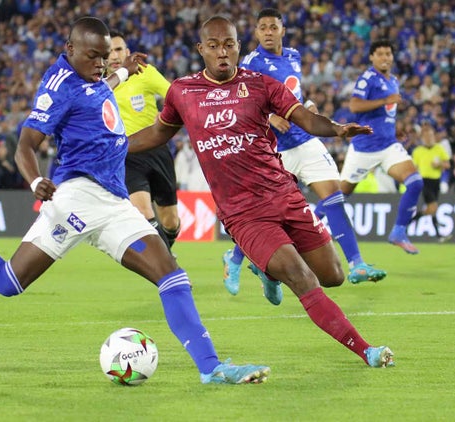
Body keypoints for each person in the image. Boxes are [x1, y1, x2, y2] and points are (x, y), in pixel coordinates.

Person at [0, 16, 269, 385]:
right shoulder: (57, 87)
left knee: (171, 275)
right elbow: (25, 144)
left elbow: (100, 88)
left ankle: (211, 368)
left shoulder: (92, 76)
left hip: (114, 200)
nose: (100, 64)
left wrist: (124, 71)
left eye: (104, 56)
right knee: (8, 281)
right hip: (76, 197)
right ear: (70, 48)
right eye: (93, 56)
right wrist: (36, 180)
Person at [127, 15, 394, 368]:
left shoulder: (261, 84)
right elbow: (158, 133)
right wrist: (113, 147)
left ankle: (265, 270)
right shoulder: (183, 91)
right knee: (302, 278)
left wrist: (337, 129)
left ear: (239, 46)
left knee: (333, 276)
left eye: (229, 45)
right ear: (201, 49)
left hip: (284, 194)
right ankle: (367, 350)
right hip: (243, 212)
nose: (222, 52)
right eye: (214, 46)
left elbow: (306, 119)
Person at [222, 8, 386, 299]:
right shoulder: (251, 62)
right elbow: (238, 100)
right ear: (256, 32)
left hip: (305, 140)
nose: (268, 32)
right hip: (273, 148)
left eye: (273, 27)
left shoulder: (293, 56)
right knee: (265, 213)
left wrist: (307, 105)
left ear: (283, 30)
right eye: (263, 27)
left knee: (333, 196)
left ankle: (357, 264)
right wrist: (270, 117)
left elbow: (295, 92)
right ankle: (234, 260)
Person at [338, 39, 424, 255]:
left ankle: (399, 232)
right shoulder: (368, 78)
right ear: (372, 57)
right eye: (380, 54)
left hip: (388, 145)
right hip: (364, 147)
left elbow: (386, 113)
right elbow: (355, 105)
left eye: (388, 54)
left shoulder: (393, 80)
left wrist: (394, 130)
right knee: (338, 197)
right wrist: (385, 99)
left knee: (414, 182)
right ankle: (308, 224)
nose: (385, 57)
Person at [106, 30, 180, 251]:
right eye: (109, 51)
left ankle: (165, 253)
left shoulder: (144, 72)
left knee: (170, 222)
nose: (114, 56)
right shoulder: (100, 85)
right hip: (126, 154)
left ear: (127, 52)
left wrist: (167, 117)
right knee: (143, 213)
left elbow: (175, 96)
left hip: (157, 150)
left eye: (118, 49)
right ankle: (168, 265)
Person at [410, 122, 451, 241]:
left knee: (431, 210)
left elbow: (447, 165)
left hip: (436, 181)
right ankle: (439, 236)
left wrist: (439, 164)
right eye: (426, 136)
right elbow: (414, 168)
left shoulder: (439, 148)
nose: (429, 138)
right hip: (424, 181)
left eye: (431, 136)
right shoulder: (417, 151)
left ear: (434, 136)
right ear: (422, 138)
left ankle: (407, 224)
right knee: (433, 207)